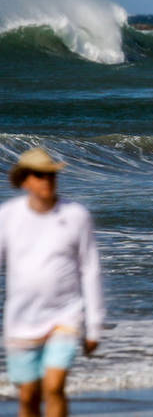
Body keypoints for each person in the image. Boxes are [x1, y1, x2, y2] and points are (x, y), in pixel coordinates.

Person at [2, 148, 104, 417]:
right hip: (21, 320)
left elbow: (90, 269)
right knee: (28, 397)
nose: (47, 180)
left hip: (65, 316)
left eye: (51, 175)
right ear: (24, 180)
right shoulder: (8, 216)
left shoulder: (76, 215)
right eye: (39, 175)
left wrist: (93, 326)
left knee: (54, 387)